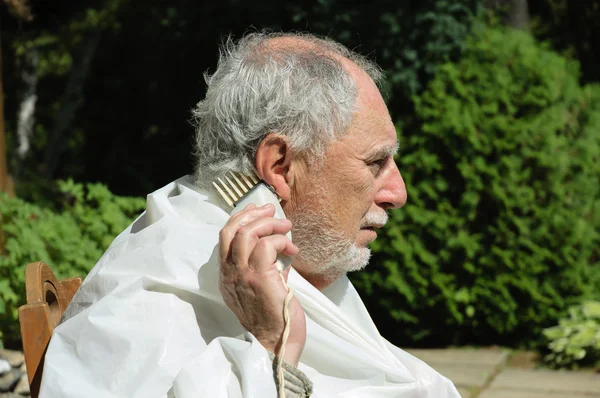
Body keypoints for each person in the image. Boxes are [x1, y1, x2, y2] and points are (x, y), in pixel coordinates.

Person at [39, 32, 461, 397]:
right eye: (375, 163)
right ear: (279, 166)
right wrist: (270, 347)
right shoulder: (144, 308)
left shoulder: (289, 267)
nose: (397, 193)